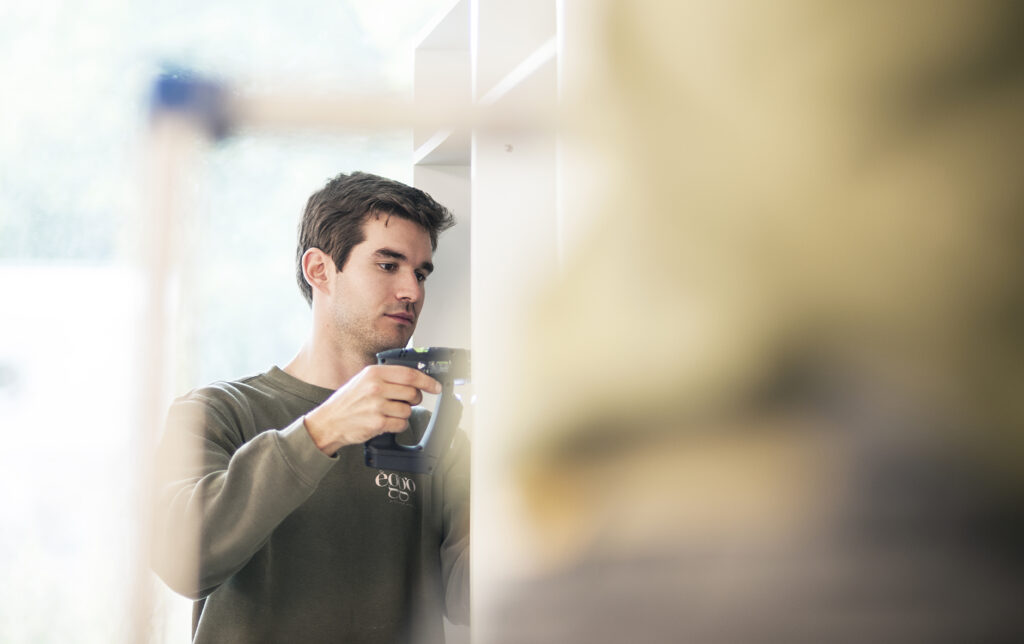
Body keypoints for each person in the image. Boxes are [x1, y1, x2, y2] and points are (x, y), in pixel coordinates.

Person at [151, 171, 469, 644]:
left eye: (421, 272)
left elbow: (470, 598)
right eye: (388, 265)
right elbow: (182, 563)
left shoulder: (432, 434)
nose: (413, 291)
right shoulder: (218, 411)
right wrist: (322, 430)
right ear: (319, 270)